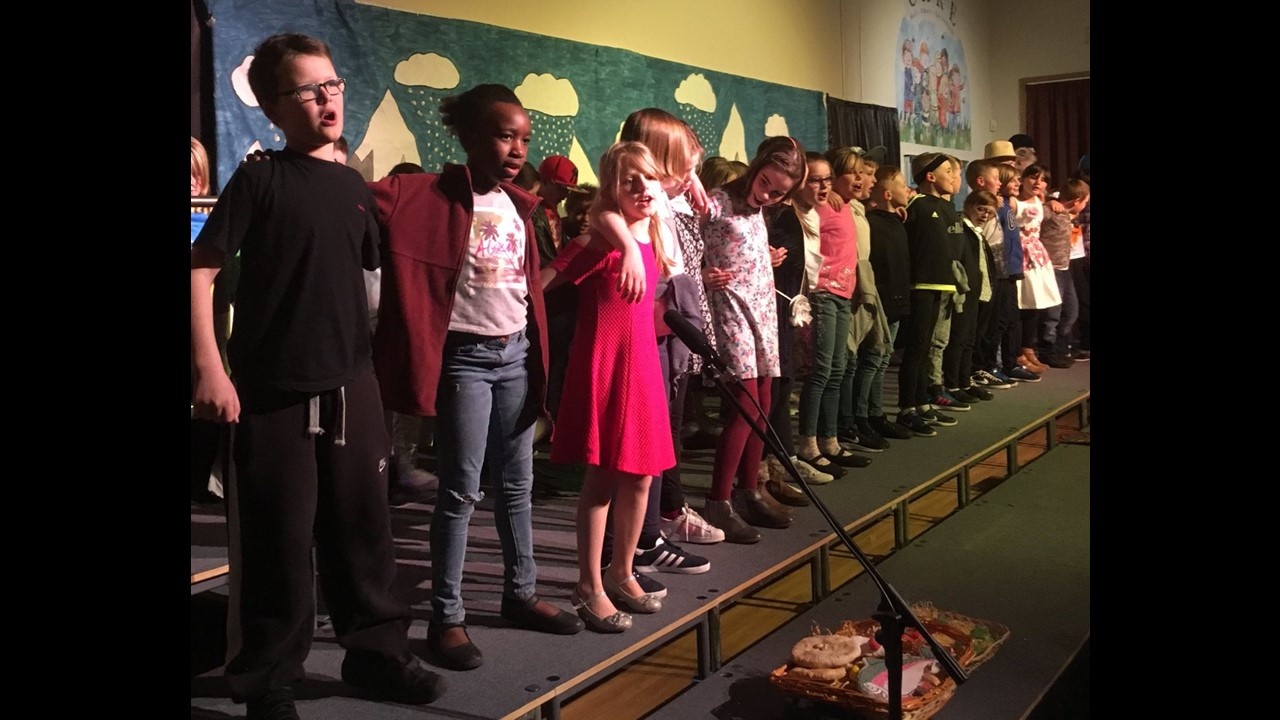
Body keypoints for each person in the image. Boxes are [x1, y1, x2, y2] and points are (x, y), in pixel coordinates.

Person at [190, 33, 446, 719]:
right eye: (308, 89)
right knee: (275, 541)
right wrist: (211, 368)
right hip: (272, 392)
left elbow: (364, 277)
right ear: (275, 107)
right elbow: (200, 270)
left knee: (364, 531)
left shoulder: (353, 186)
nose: (328, 98)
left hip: (351, 386)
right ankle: (268, 680)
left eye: (332, 84)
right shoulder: (259, 179)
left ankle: (376, 653)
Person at [369, 83, 584, 672]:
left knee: (517, 483)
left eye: (524, 139)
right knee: (461, 489)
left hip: (514, 355)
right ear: (467, 136)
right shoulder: (428, 195)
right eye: (503, 135)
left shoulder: (519, 205)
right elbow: (356, 201)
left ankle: (521, 593)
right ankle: (447, 615)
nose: (517, 149)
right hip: (464, 360)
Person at [542, 141, 677, 632]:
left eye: (649, 177)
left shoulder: (650, 233)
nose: (642, 188)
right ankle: (588, 584)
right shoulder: (597, 240)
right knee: (601, 478)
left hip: (641, 364)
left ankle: (621, 571)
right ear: (611, 189)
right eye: (628, 181)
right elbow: (539, 285)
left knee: (642, 476)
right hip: (604, 364)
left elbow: (676, 183)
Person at [699, 136, 807, 543]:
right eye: (765, 183)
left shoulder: (759, 210)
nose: (767, 195)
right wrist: (700, 273)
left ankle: (750, 490)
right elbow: (680, 243)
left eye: (778, 193)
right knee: (744, 404)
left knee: (763, 402)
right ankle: (719, 500)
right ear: (756, 166)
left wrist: (766, 256)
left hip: (760, 308)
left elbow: (740, 247)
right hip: (731, 308)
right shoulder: (715, 201)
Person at [794, 150, 869, 474]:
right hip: (822, 293)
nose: (860, 179)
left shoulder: (849, 206)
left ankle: (830, 440)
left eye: (862, 173)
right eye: (852, 173)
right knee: (821, 371)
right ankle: (808, 444)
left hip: (843, 294)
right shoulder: (820, 208)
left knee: (838, 369)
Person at [894, 152, 964, 437]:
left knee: (928, 348)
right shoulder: (917, 204)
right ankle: (906, 408)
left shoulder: (947, 206)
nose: (953, 176)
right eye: (948, 171)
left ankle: (922, 402)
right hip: (921, 285)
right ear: (931, 176)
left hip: (943, 285)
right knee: (916, 346)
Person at [861, 166, 916, 437]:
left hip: (897, 300)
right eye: (902, 185)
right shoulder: (872, 222)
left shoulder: (897, 221)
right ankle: (863, 415)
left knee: (882, 360)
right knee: (872, 359)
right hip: (879, 301)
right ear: (886, 194)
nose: (908, 189)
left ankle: (875, 412)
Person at [1011, 163, 1062, 373]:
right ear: (1023, 179)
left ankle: (1028, 348)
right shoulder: (1014, 202)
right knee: (1019, 304)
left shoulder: (1041, 202)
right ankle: (1017, 353)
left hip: (1036, 256)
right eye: (1033, 177)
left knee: (1034, 303)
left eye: (1043, 180)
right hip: (1018, 254)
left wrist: (1052, 201)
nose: (1037, 182)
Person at [1036, 176, 1090, 368]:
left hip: (1065, 268)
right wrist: (1049, 202)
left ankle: (1061, 345)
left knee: (1071, 310)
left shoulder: (1069, 215)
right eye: (1085, 202)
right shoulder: (1051, 211)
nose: (1085, 206)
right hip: (1051, 268)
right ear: (1077, 200)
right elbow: (1036, 211)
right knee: (1052, 313)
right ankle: (1047, 349)